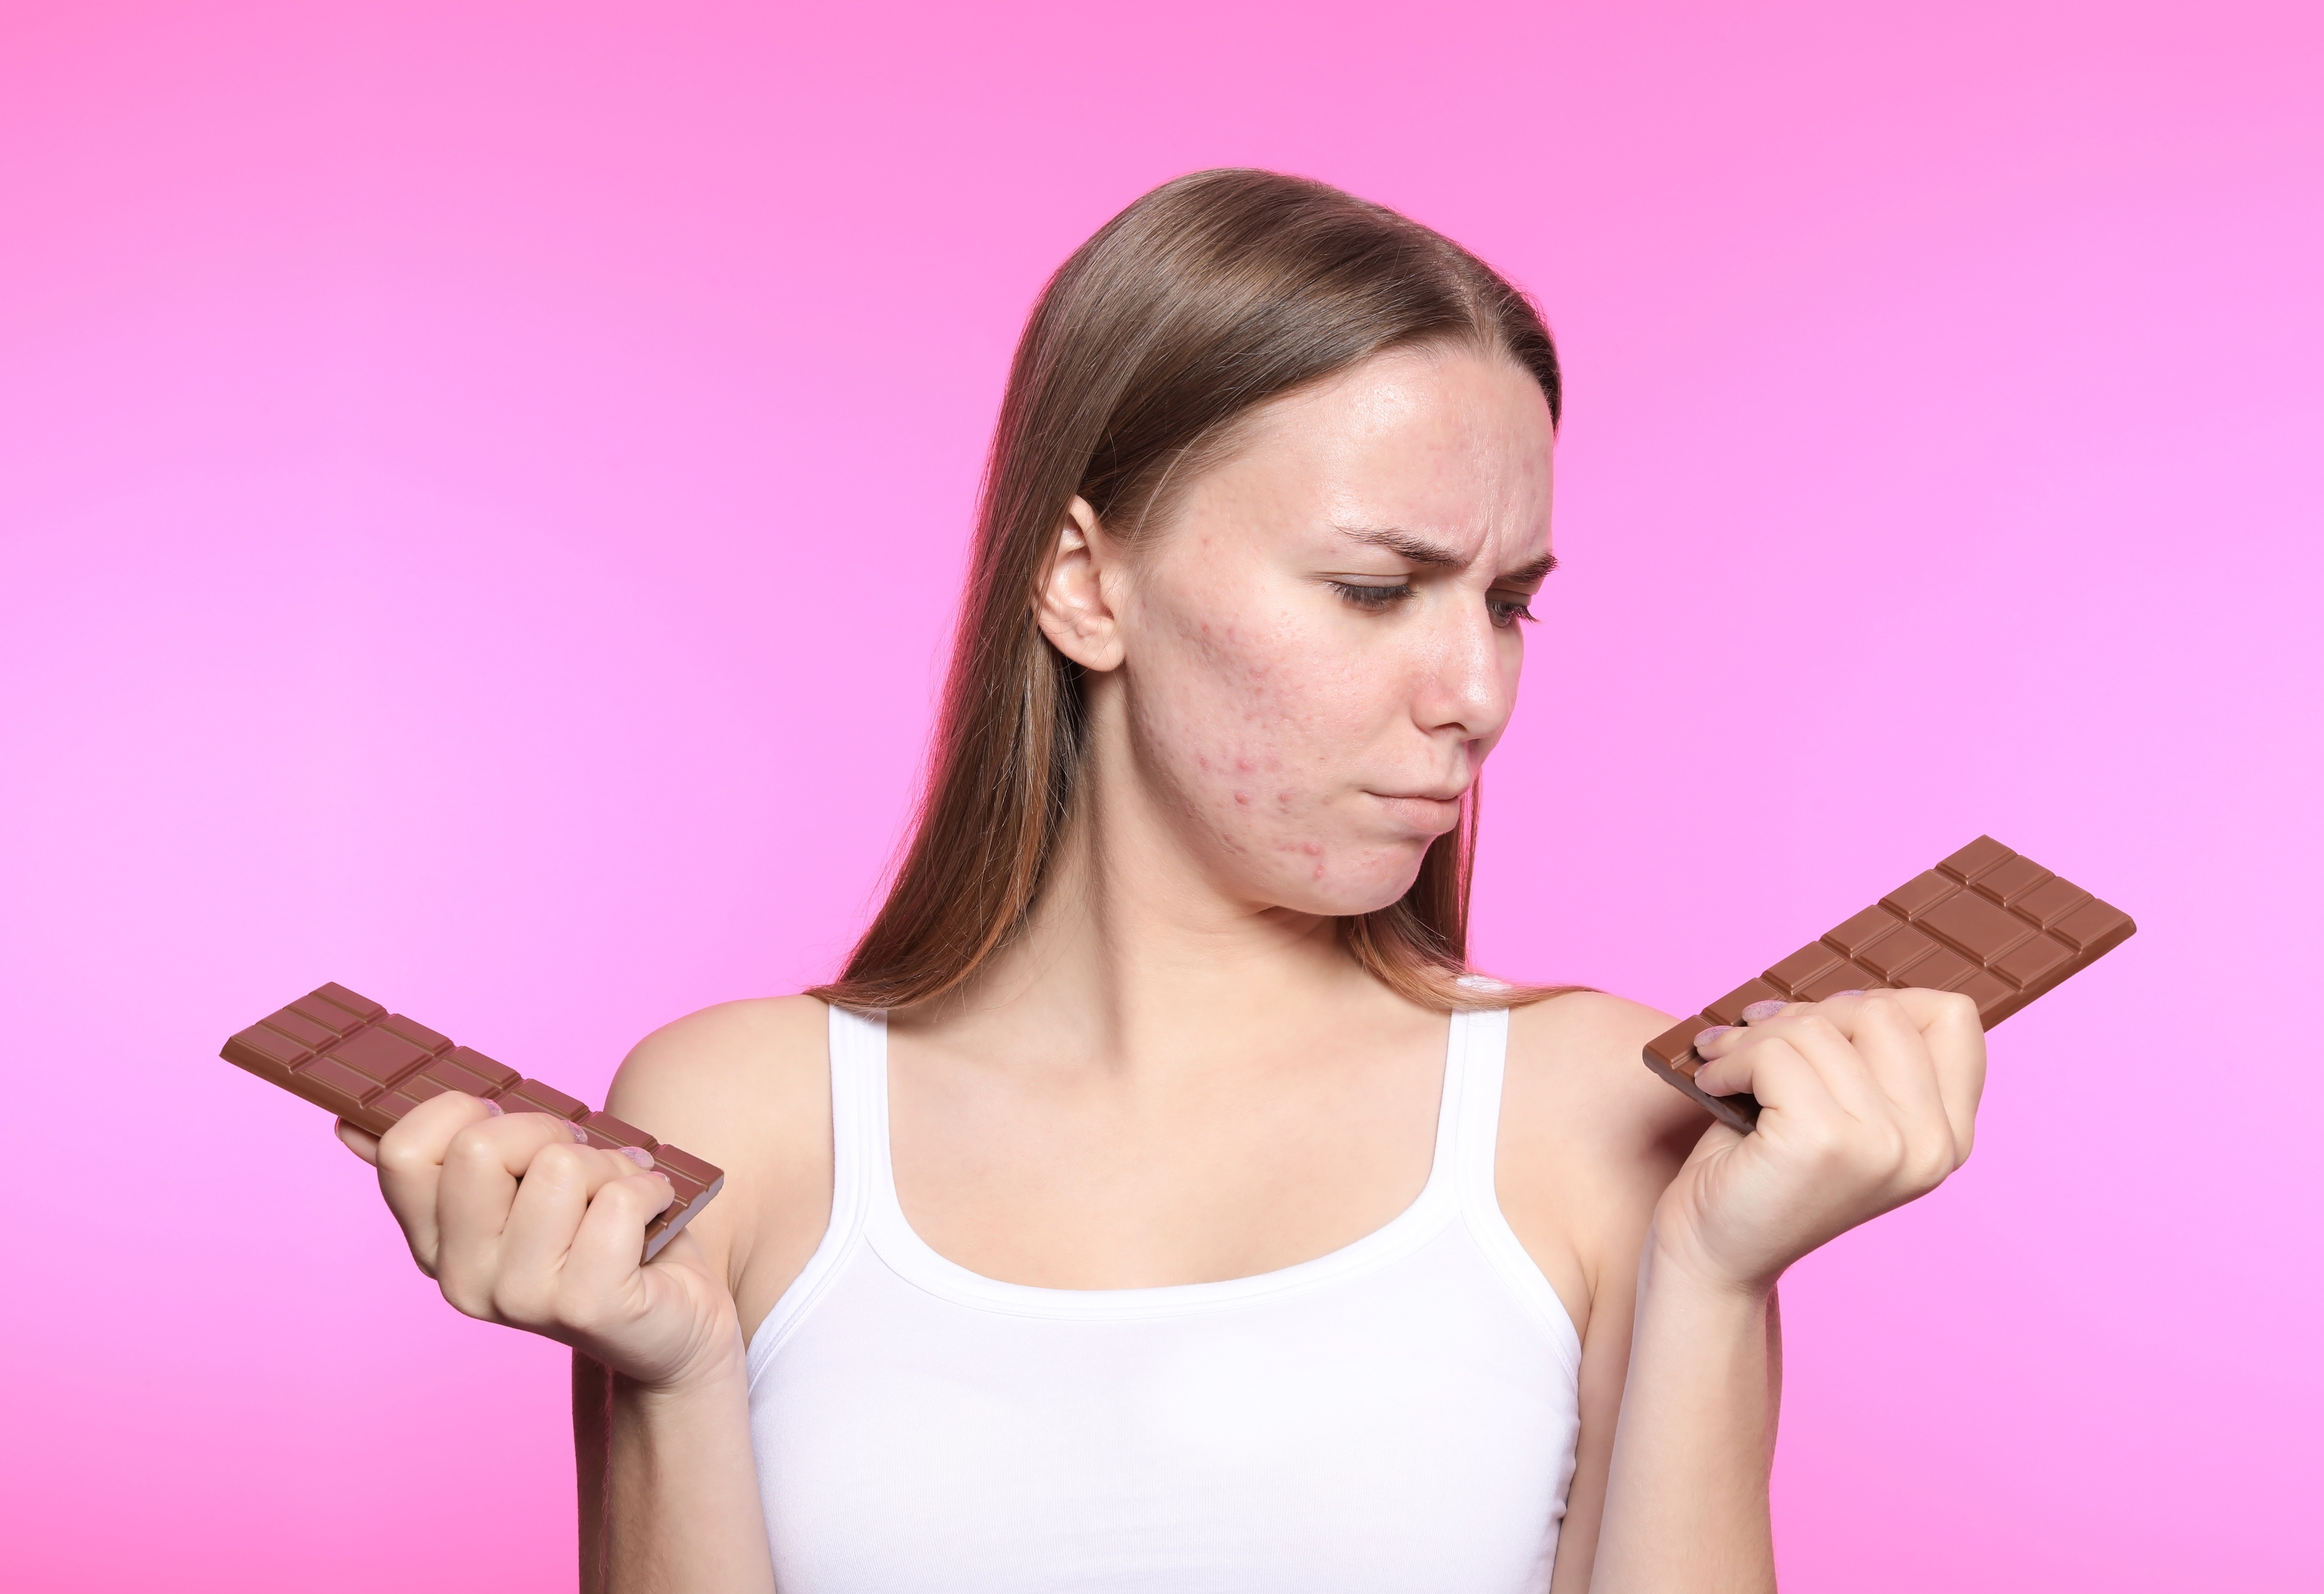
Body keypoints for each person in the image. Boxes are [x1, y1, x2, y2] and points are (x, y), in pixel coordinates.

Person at [340, 169, 1986, 1593]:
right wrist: (676, 1377)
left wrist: (1714, 1272)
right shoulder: (748, 1121)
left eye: (1505, 603)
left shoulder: (1589, 1122)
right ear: (1082, 581)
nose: (1473, 692)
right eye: (1372, 588)